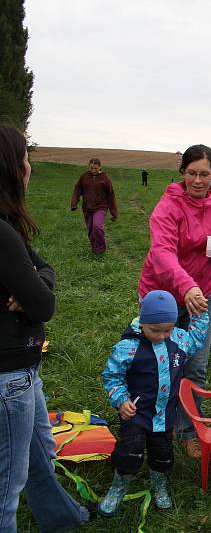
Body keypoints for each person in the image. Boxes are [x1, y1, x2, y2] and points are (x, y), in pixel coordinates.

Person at [0, 123, 91, 531]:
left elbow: (44, 271)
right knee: (7, 487)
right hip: (8, 376)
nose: (30, 165)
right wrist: (36, 288)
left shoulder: (9, 229)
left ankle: (61, 518)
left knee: (41, 453)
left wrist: (38, 281)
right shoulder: (2, 234)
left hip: (24, 369)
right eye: (25, 157)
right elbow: (44, 304)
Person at [138, 144, 211, 459]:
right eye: (192, 173)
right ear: (182, 173)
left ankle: (187, 430)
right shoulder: (168, 207)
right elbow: (162, 253)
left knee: (195, 366)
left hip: (204, 294)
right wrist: (185, 287)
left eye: (205, 174)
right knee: (157, 365)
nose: (198, 180)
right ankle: (150, 428)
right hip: (164, 297)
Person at [99, 291, 210, 516]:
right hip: (136, 414)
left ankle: (159, 485)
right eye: (155, 330)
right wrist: (121, 399)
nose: (161, 336)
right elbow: (112, 376)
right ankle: (118, 486)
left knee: (163, 455)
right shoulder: (128, 347)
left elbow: (197, 338)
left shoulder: (178, 340)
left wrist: (200, 313)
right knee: (130, 451)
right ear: (143, 322)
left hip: (164, 415)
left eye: (167, 330)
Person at [70, 157, 118, 255]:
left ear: (100, 167)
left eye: (96, 168)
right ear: (88, 167)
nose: (93, 170)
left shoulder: (105, 178)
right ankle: (94, 249)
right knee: (91, 229)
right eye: (91, 168)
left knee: (97, 226)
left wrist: (114, 212)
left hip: (101, 206)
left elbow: (111, 194)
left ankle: (101, 248)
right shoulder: (84, 177)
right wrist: (74, 203)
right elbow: (77, 189)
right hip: (87, 207)